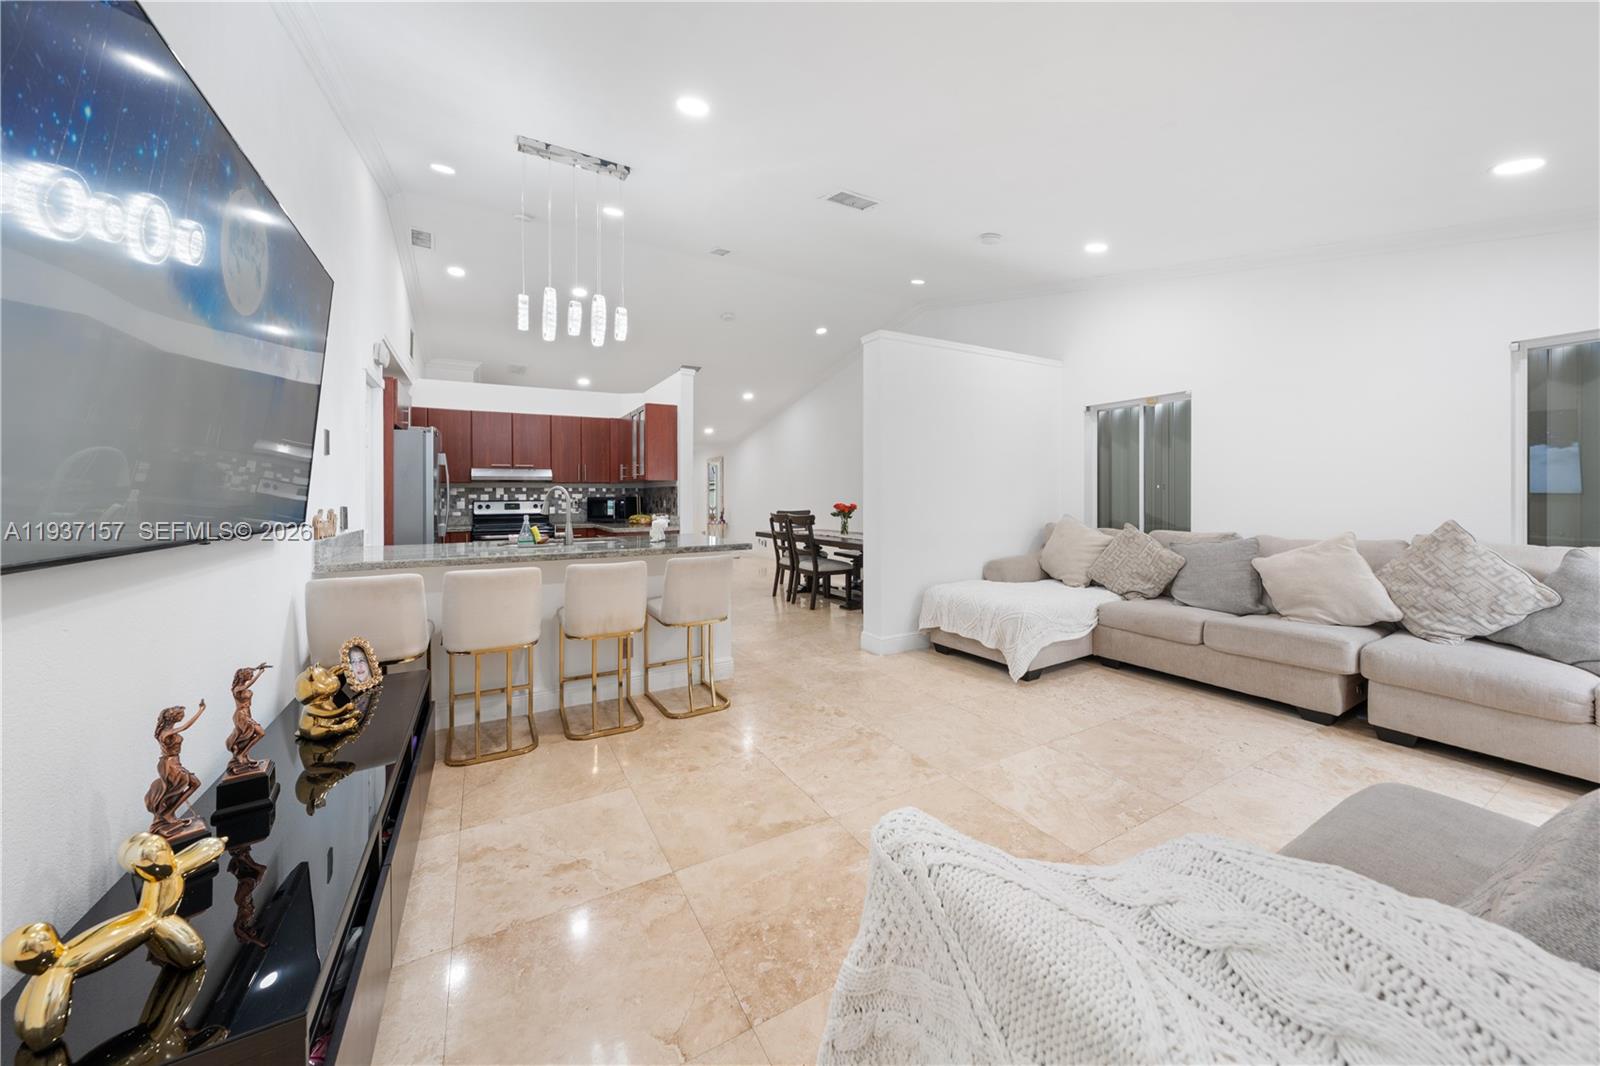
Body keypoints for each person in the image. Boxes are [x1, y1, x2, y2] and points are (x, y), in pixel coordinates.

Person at [145, 702, 206, 838]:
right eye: (180, 715)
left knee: (194, 784)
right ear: (173, 718)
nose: (182, 717)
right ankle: (166, 814)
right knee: (173, 791)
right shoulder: (166, 733)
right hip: (170, 765)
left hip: (174, 762)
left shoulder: (165, 731)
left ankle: (169, 812)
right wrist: (200, 711)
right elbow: (186, 727)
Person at [225, 663, 271, 777]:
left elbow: (248, 683)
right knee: (260, 732)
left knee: (250, 735)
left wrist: (256, 668)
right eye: (249, 674)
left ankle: (244, 755)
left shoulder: (245, 688)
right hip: (241, 715)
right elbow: (248, 684)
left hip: (247, 713)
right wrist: (259, 673)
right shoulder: (237, 689)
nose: (251, 675)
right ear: (243, 676)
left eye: (251, 674)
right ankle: (241, 754)